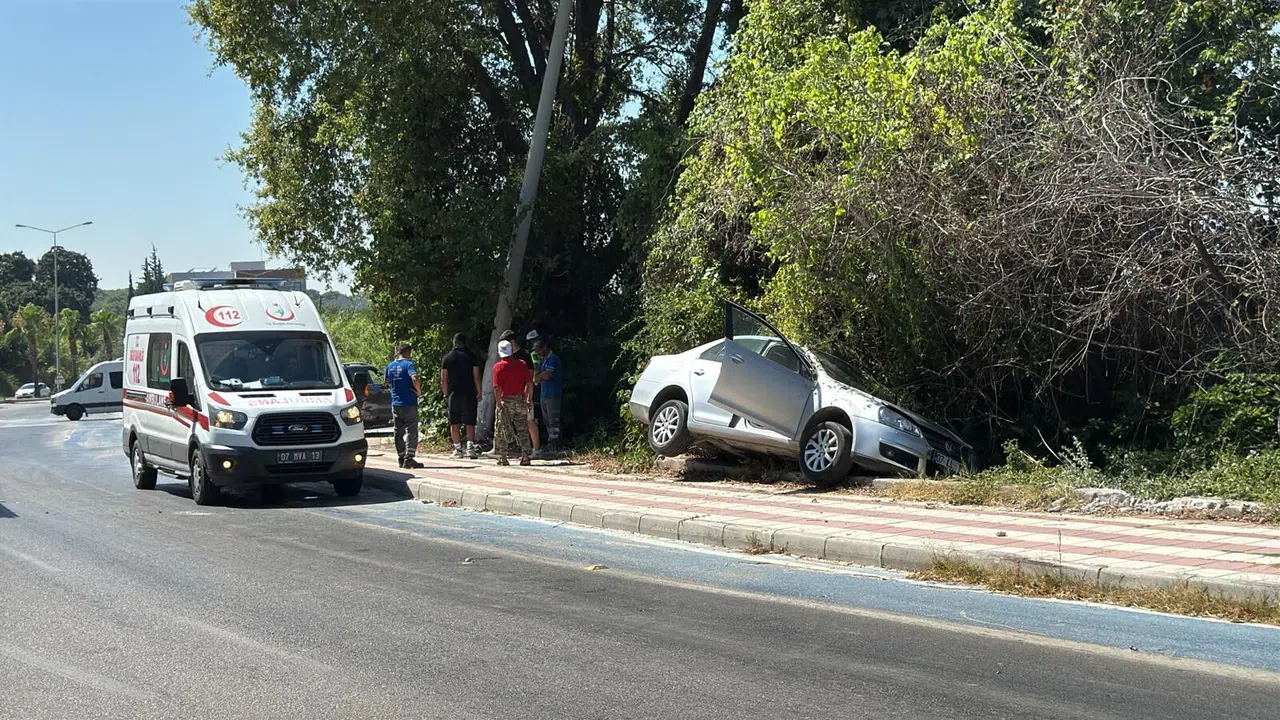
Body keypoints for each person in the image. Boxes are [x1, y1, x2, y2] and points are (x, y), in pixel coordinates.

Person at [441, 333, 482, 459]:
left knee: (454, 422)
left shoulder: (448, 358)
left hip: (454, 393)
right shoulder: (471, 356)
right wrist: (479, 390)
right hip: (469, 391)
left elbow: (444, 379)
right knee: (470, 421)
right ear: (465, 342)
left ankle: (458, 449)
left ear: (454, 342)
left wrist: (445, 393)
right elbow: (476, 376)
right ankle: (470, 448)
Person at [498, 329, 540, 455]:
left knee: (529, 421)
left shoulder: (525, 356)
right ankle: (502, 448)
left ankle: (536, 449)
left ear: (512, 342)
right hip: (510, 395)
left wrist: (528, 396)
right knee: (506, 422)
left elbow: (530, 378)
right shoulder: (508, 357)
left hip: (524, 394)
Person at [492, 340, 533, 466]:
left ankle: (503, 457)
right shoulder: (522, 364)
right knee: (523, 429)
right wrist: (528, 399)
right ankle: (525, 457)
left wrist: (498, 402)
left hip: (506, 402)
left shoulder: (498, 367)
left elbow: (497, 388)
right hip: (520, 400)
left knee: (501, 428)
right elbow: (529, 383)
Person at [385, 343, 423, 469]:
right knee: (411, 431)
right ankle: (409, 458)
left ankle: (401, 458)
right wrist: (418, 391)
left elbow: (387, 383)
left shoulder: (389, 366)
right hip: (409, 402)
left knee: (398, 431)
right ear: (407, 352)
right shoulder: (408, 364)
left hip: (396, 403)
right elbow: (415, 377)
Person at [533, 336, 563, 456]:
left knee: (553, 419)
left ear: (544, 348)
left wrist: (541, 376)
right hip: (544, 393)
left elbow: (548, 375)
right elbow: (537, 376)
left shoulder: (553, 359)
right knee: (546, 420)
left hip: (553, 393)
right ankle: (550, 443)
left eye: (539, 350)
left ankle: (554, 443)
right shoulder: (543, 360)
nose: (538, 353)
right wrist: (540, 375)